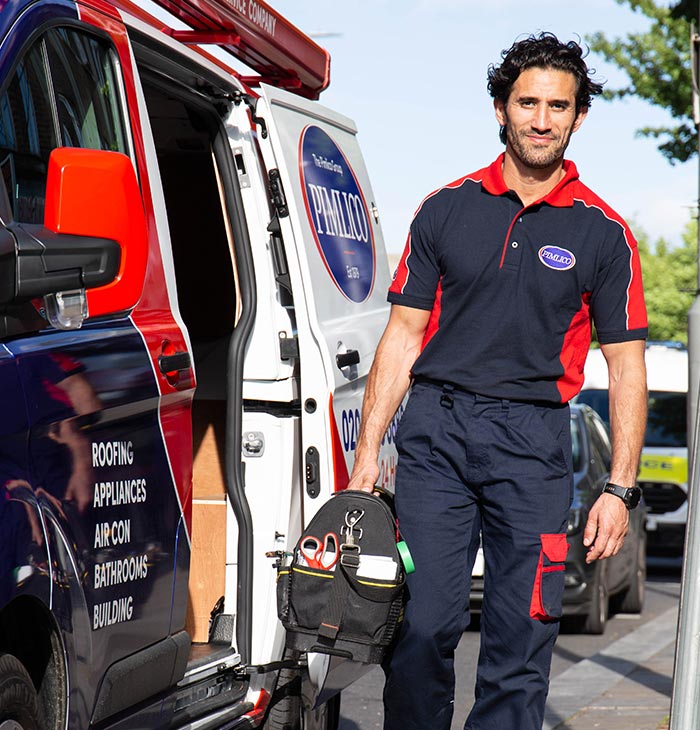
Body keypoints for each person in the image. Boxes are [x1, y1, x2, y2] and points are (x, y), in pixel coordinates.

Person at [348, 32, 648, 730]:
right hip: (437, 441)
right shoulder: (446, 208)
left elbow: (626, 364)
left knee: (523, 640)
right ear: (500, 109)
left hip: (537, 447)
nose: (542, 120)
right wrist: (368, 455)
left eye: (558, 107)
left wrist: (618, 487)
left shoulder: (602, 232)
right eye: (528, 103)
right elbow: (401, 337)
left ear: (578, 118)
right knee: (420, 629)